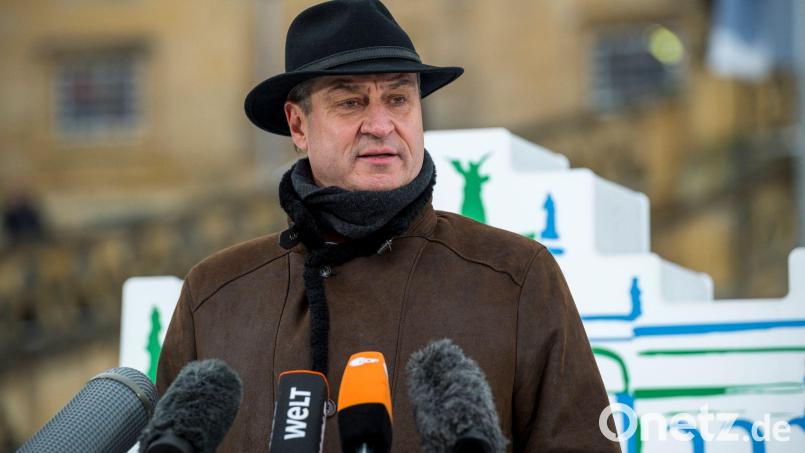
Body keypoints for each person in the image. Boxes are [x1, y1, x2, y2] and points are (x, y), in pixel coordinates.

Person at [157, 1, 620, 451]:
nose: (380, 125)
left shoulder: (514, 277)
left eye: (398, 99)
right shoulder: (215, 296)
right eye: (350, 102)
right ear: (298, 125)